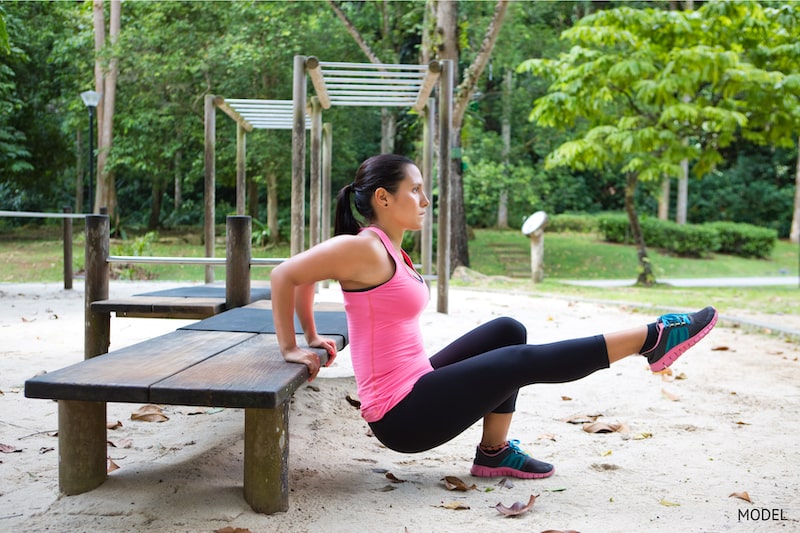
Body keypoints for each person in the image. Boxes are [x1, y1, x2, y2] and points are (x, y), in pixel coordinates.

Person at [269, 154, 718, 479]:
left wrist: (313, 334)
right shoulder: (363, 246)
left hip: (417, 381)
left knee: (508, 330)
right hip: (401, 415)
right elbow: (285, 275)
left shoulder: (387, 248)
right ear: (384, 198)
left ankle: (494, 452)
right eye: (416, 190)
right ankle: (652, 337)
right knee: (517, 362)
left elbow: (306, 276)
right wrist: (293, 345)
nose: (425, 199)